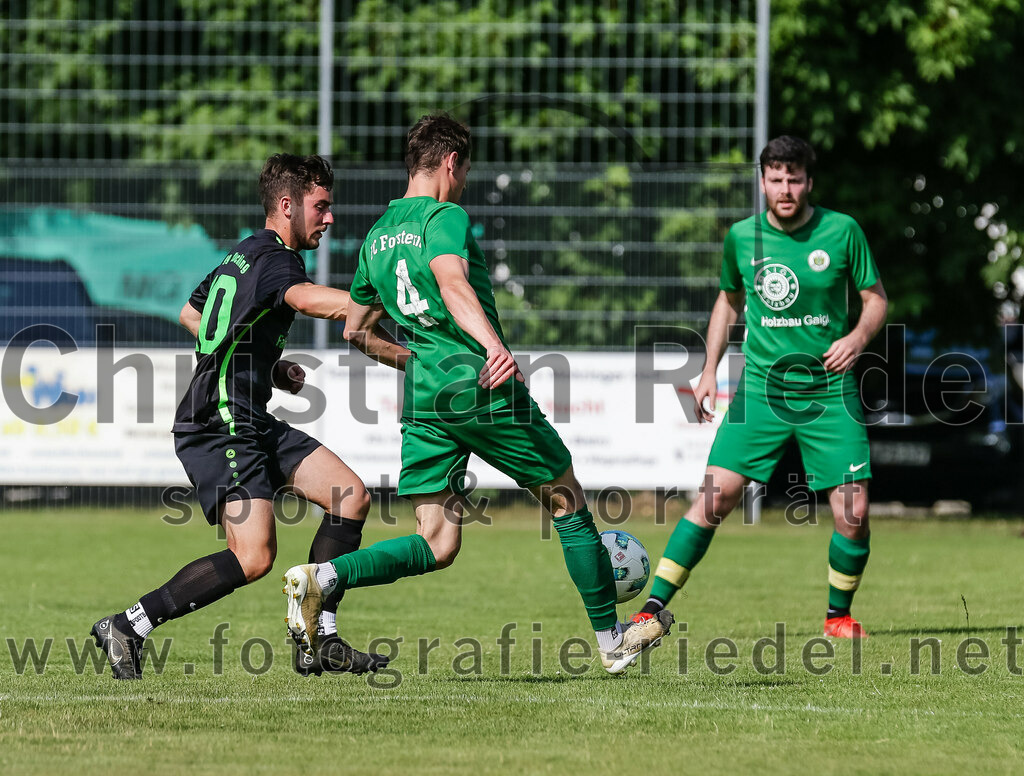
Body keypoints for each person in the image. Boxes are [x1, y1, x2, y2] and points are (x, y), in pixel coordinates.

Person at [281, 114, 673, 674]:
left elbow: (356, 331)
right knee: (565, 496)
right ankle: (611, 638)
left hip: (426, 400)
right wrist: (493, 346)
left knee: (437, 542)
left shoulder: (377, 235)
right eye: (464, 170)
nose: (463, 179)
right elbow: (452, 281)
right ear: (451, 163)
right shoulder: (445, 216)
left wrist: (414, 361)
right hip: (480, 384)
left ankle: (321, 576)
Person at [91, 153, 409, 679]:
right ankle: (129, 624)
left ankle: (318, 639)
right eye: (321, 207)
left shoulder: (242, 255)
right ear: (287, 206)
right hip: (218, 422)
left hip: (246, 416)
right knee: (255, 555)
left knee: (350, 496)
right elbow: (307, 301)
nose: (330, 218)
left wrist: (265, 362)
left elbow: (192, 314)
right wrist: (378, 299)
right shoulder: (278, 262)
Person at [633, 135, 888, 638]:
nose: (786, 188)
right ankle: (650, 608)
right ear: (763, 181)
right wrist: (708, 370)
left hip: (829, 391)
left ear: (809, 182)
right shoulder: (741, 238)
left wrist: (857, 337)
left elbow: (875, 298)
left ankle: (838, 616)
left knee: (853, 511)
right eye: (776, 179)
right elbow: (728, 302)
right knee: (711, 499)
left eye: (795, 178)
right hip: (762, 393)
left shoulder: (842, 231)